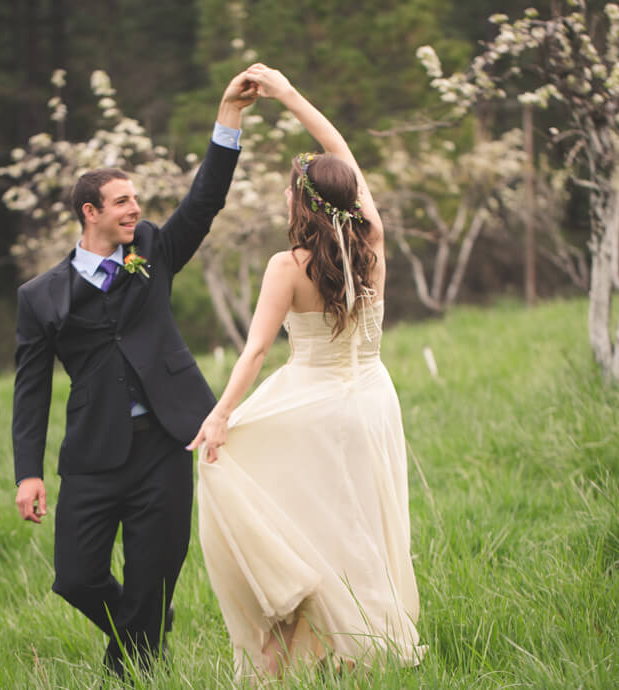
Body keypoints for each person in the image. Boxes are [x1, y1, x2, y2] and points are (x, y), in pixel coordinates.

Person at [11, 69, 257, 678]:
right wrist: (28, 474)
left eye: (136, 201)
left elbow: (203, 203)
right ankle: (146, 630)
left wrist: (229, 116)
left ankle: (135, 668)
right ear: (90, 212)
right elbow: (31, 390)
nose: (135, 210)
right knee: (76, 578)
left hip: (167, 444)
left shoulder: (153, 253)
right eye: (122, 202)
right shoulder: (40, 296)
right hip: (93, 454)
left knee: (153, 578)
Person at [189, 64, 425, 680]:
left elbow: (256, 352)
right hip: (372, 402)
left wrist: (220, 416)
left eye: (291, 189)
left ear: (302, 202)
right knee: (359, 525)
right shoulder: (371, 240)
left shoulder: (285, 266)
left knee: (281, 510)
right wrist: (291, 95)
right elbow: (340, 153)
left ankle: (289, 648)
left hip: (312, 404)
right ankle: (364, 646)